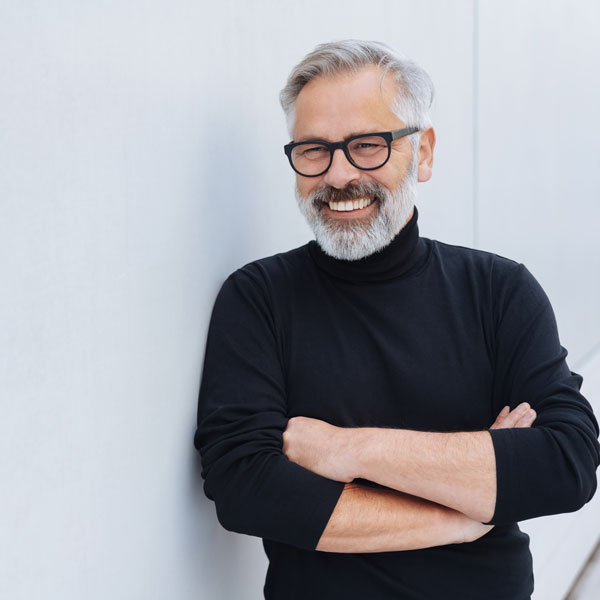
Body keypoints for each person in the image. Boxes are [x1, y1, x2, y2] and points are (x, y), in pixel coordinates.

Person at [194, 40, 600, 599]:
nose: (337, 175)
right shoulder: (259, 298)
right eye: (314, 149)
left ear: (423, 152)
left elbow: (566, 462)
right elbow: (245, 486)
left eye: (367, 145)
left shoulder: (499, 291)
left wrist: (347, 450)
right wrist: (461, 513)